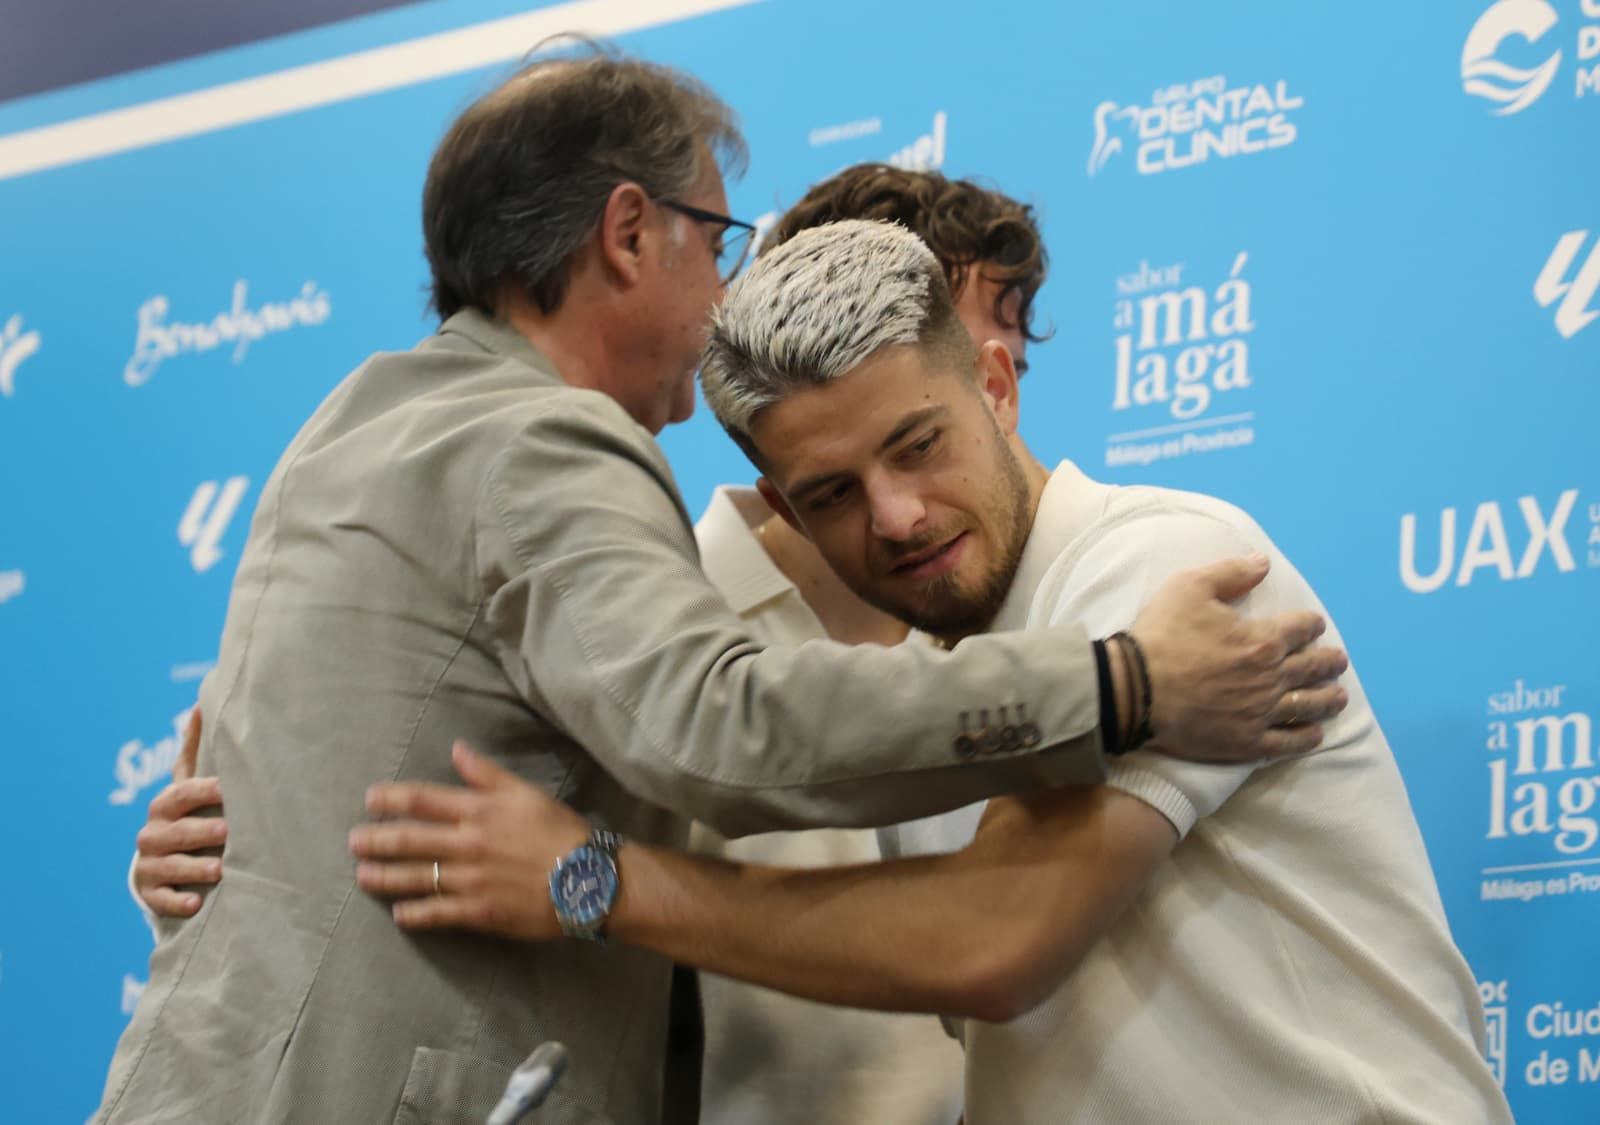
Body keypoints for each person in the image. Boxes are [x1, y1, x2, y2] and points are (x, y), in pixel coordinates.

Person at [97, 46, 1346, 1125]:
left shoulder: (355, 422)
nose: (724, 298)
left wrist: (236, 851)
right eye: (718, 241)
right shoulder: (544, 440)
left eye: (917, 435)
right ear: (630, 233)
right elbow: (721, 731)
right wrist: (1122, 684)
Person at [350, 220, 1512, 1123]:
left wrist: (593, 881)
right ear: (783, 515)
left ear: (996, 386)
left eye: (917, 446)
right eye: (833, 494)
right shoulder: (933, 699)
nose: (896, 516)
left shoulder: (1165, 563)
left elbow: (991, 941)